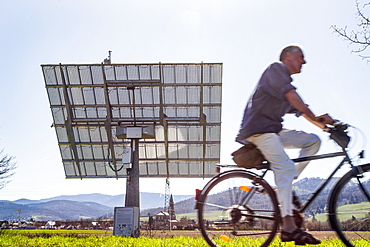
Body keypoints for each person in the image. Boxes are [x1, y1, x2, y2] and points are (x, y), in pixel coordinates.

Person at [235, 45, 333, 245]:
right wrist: (317, 118)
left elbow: (301, 111)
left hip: (273, 132)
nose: (304, 62)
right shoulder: (276, 70)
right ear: (288, 56)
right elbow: (293, 97)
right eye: (301, 57)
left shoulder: (281, 83)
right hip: (259, 130)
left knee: (313, 142)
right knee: (285, 167)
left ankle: (287, 182)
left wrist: (325, 127)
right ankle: (288, 227)